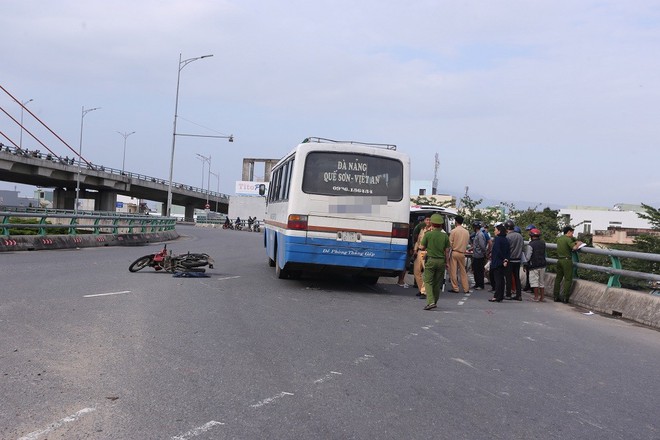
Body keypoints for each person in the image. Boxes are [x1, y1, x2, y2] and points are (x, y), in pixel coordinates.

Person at [419, 213, 451, 310]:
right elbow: (447, 251)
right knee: (437, 283)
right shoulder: (445, 236)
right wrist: (447, 263)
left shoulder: (428, 234)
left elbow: (421, 247)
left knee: (428, 281)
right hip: (441, 261)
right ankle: (435, 301)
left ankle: (431, 301)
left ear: (432, 223)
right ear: (441, 224)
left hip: (431, 260)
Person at [553, 226, 583, 303]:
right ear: (569, 232)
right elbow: (574, 248)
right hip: (567, 260)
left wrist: (574, 239)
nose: (573, 234)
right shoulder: (568, 240)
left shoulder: (560, 239)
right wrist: (578, 243)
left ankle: (556, 296)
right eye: (572, 233)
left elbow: (571, 240)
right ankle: (565, 297)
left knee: (558, 279)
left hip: (559, 260)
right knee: (568, 279)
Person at [448, 215, 471, 293]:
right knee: (463, 271)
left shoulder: (453, 231)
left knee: (453, 271)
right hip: (462, 253)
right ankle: (466, 288)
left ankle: (455, 288)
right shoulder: (466, 232)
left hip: (455, 252)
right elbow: (467, 243)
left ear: (456, 222)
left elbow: (450, 243)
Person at [489, 223, 511, 302]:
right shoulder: (505, 239)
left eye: (495, 230)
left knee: (497, 280)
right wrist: (506, 259)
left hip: (497, 261)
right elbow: (508, 251)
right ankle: (500, 296)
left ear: (499, 231)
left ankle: (496, 296)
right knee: (501, 279)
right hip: (503, 262)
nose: (494, 231)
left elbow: (498, 251)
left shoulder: (497, 239)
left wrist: (502, 259)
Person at [413, 215, 432, 297]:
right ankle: (421, 289)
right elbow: (418, 241)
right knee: (416, 272)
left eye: (429, 220)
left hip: (427, 252)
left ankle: (424, 292)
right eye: (426, 220)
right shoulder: (422, 230)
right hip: (419, 252)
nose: (428, 221)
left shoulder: (432, 231)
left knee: (426, 273)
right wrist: (415, 250)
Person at [504, 220, 523, 301]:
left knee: (508, 278)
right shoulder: (520, 236)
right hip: (518, 259)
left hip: (510, 259)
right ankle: (519, 295)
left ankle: (508, 294)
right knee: (517, 278)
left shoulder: (508, 237)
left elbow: (506, 249)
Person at [527, 228, 547, 302]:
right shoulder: (543, 243)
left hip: (534, 265)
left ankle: (536, 297)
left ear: (531, 236)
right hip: (543, 264)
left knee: (534, 281)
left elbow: (528, 256)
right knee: (541, 282)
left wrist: (526, 263)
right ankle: (542, 297)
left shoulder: (531, 244)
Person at [471, 221, 488, 290]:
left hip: (479, 255)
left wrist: (484, 253)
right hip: (476, 254)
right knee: (475, 270)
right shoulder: (477, 234)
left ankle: (480, 285)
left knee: (479, 271)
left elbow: (482, 245)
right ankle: (477, 283)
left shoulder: (480, 235)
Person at [522, 224, 536, 292]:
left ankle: (531, 287)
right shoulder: (530, 239)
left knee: (532, 274)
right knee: (528, 274)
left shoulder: (534, 240)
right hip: (529, 258)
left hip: (532, 259)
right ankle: (528, 286)